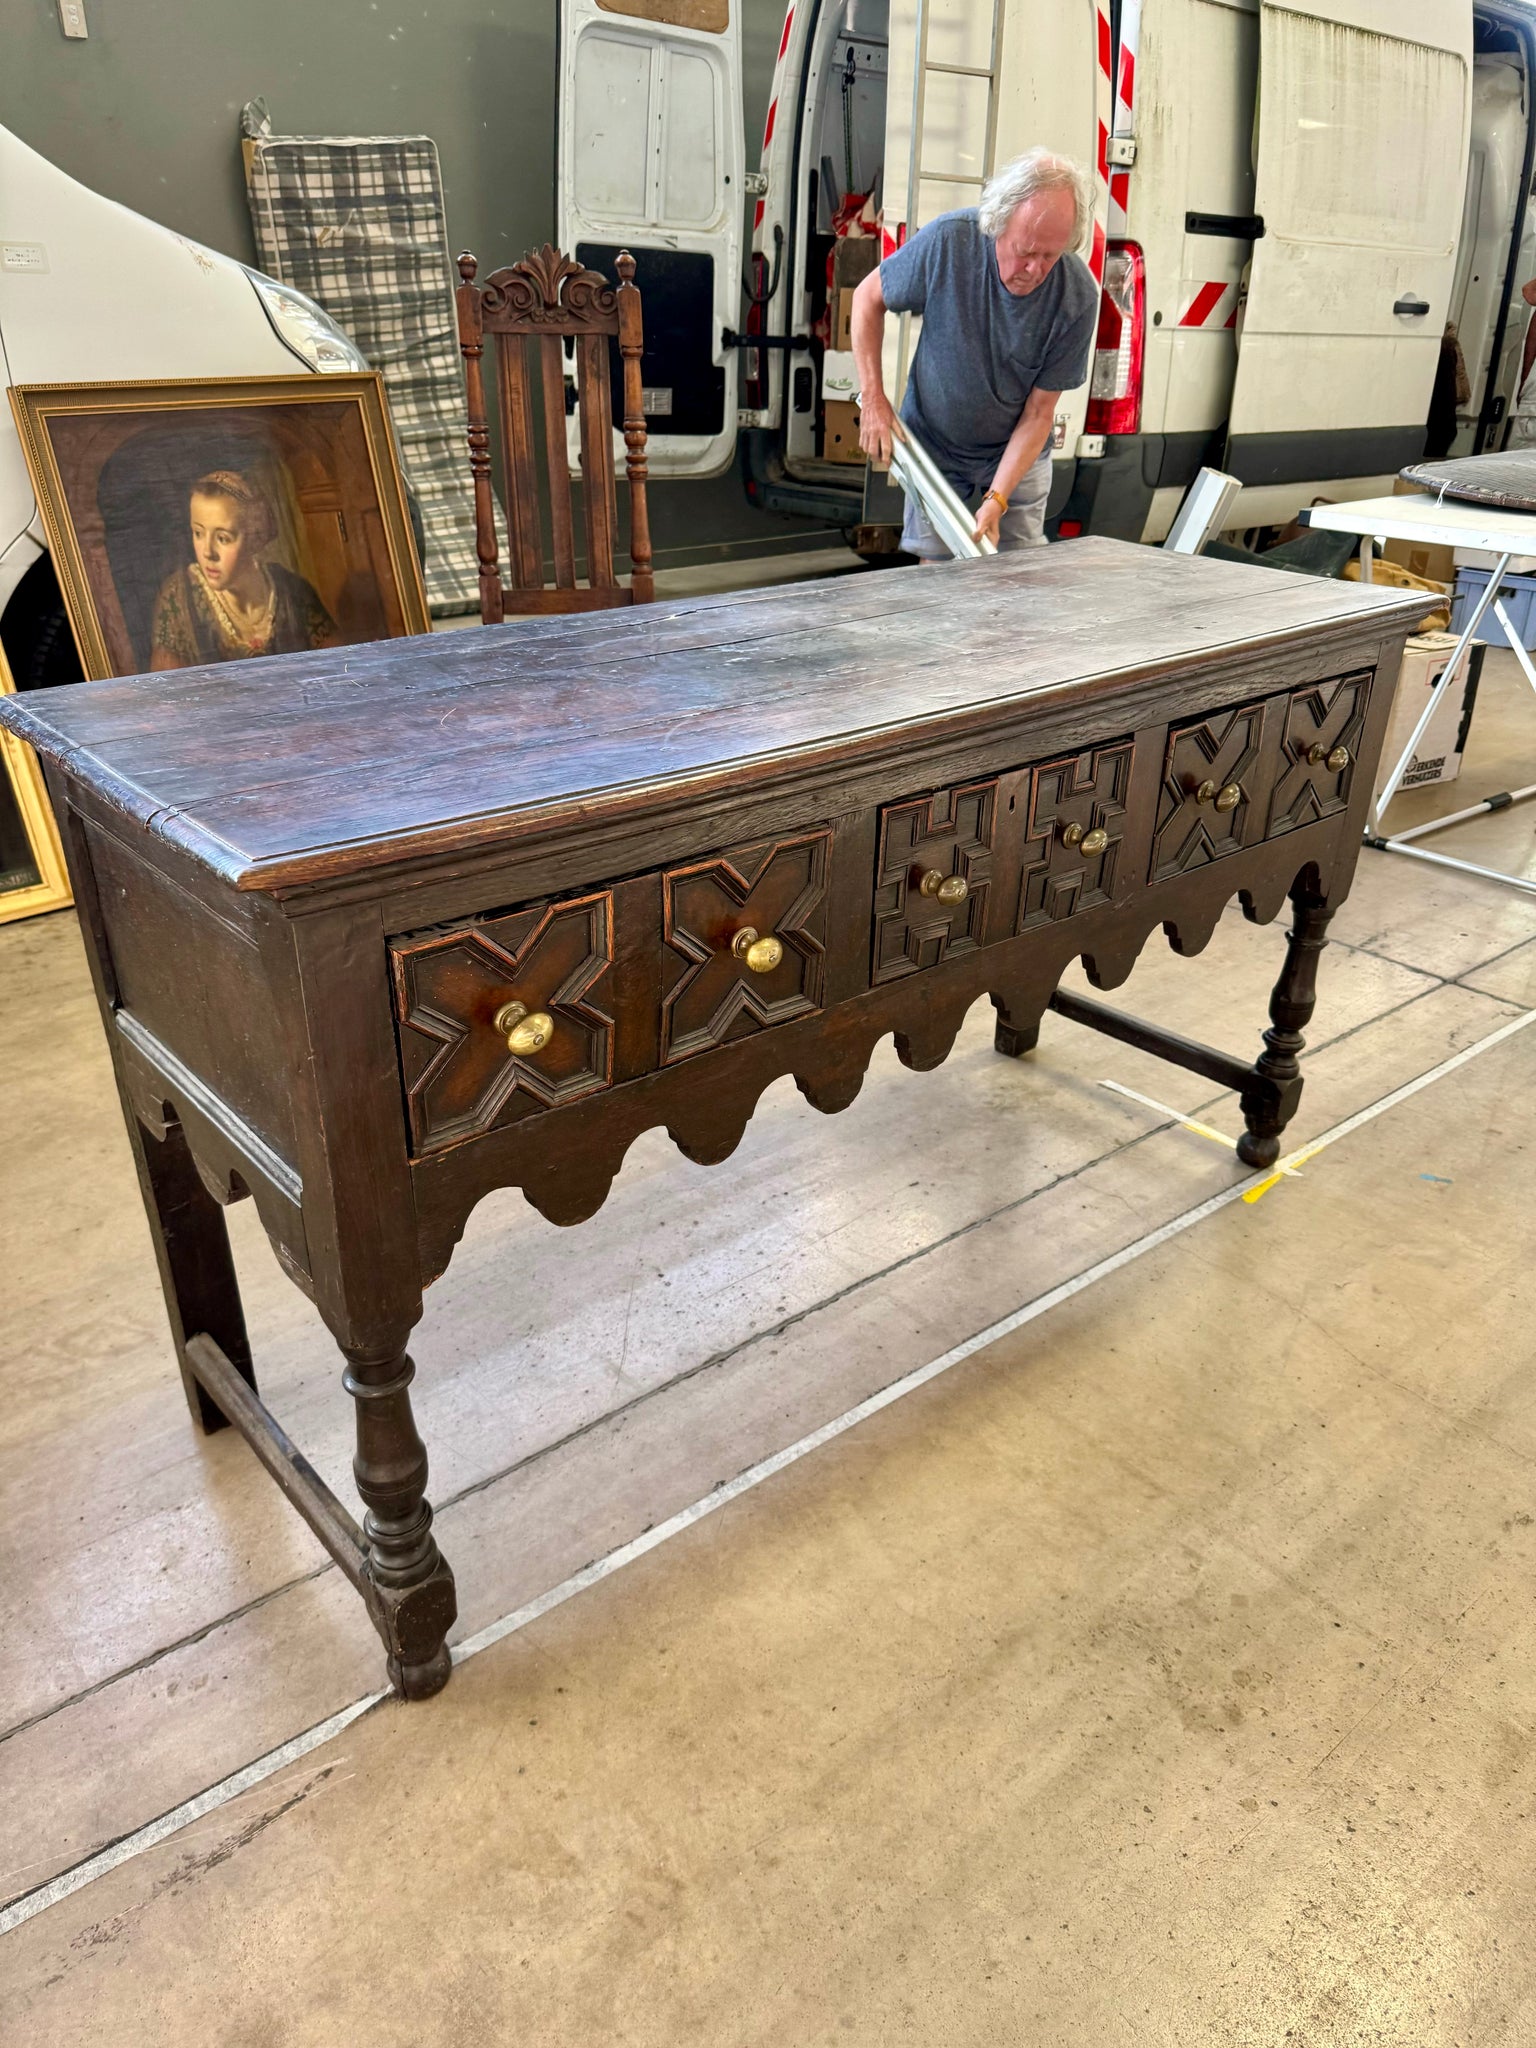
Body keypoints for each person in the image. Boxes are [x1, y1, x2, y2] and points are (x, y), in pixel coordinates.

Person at [851, 147, 1099, 557]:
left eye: (1050, 256)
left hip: (1017, 451)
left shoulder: (1077, 296)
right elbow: (865, 299)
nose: (1036, 269)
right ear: (997, 225)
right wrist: (874, 400)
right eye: (1026, 251)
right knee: (936, 580)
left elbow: (1040, 414)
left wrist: (998, 498)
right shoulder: (950, 242)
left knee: (1018, 577)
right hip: (937, 446)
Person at [150, 468, 337, 668]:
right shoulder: (178, 599)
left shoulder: (291, 590)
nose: (207, 552)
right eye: (198, 533)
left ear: (253, 538)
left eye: (223, 538)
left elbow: (340, 666)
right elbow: (170, 691)